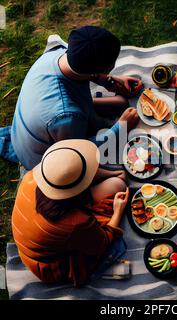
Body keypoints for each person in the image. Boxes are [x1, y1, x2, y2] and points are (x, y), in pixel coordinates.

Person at [11, 26, 142, 171]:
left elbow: (87, 72)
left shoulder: (58, 53)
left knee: (121, 103)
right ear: (104, 68)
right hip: (42, 159)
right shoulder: (67, 116)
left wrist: (110, 82)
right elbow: (78, 152)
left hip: (31, 128)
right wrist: (121, 127)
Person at [12, 139, 130, 286]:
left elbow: (84, 172)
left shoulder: (32, 176)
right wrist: (118, 211)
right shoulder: (77, 222)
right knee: (113, 246)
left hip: (48, 225)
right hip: (52, 263)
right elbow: (102, 243)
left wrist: (116, 173)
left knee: (117, 184)